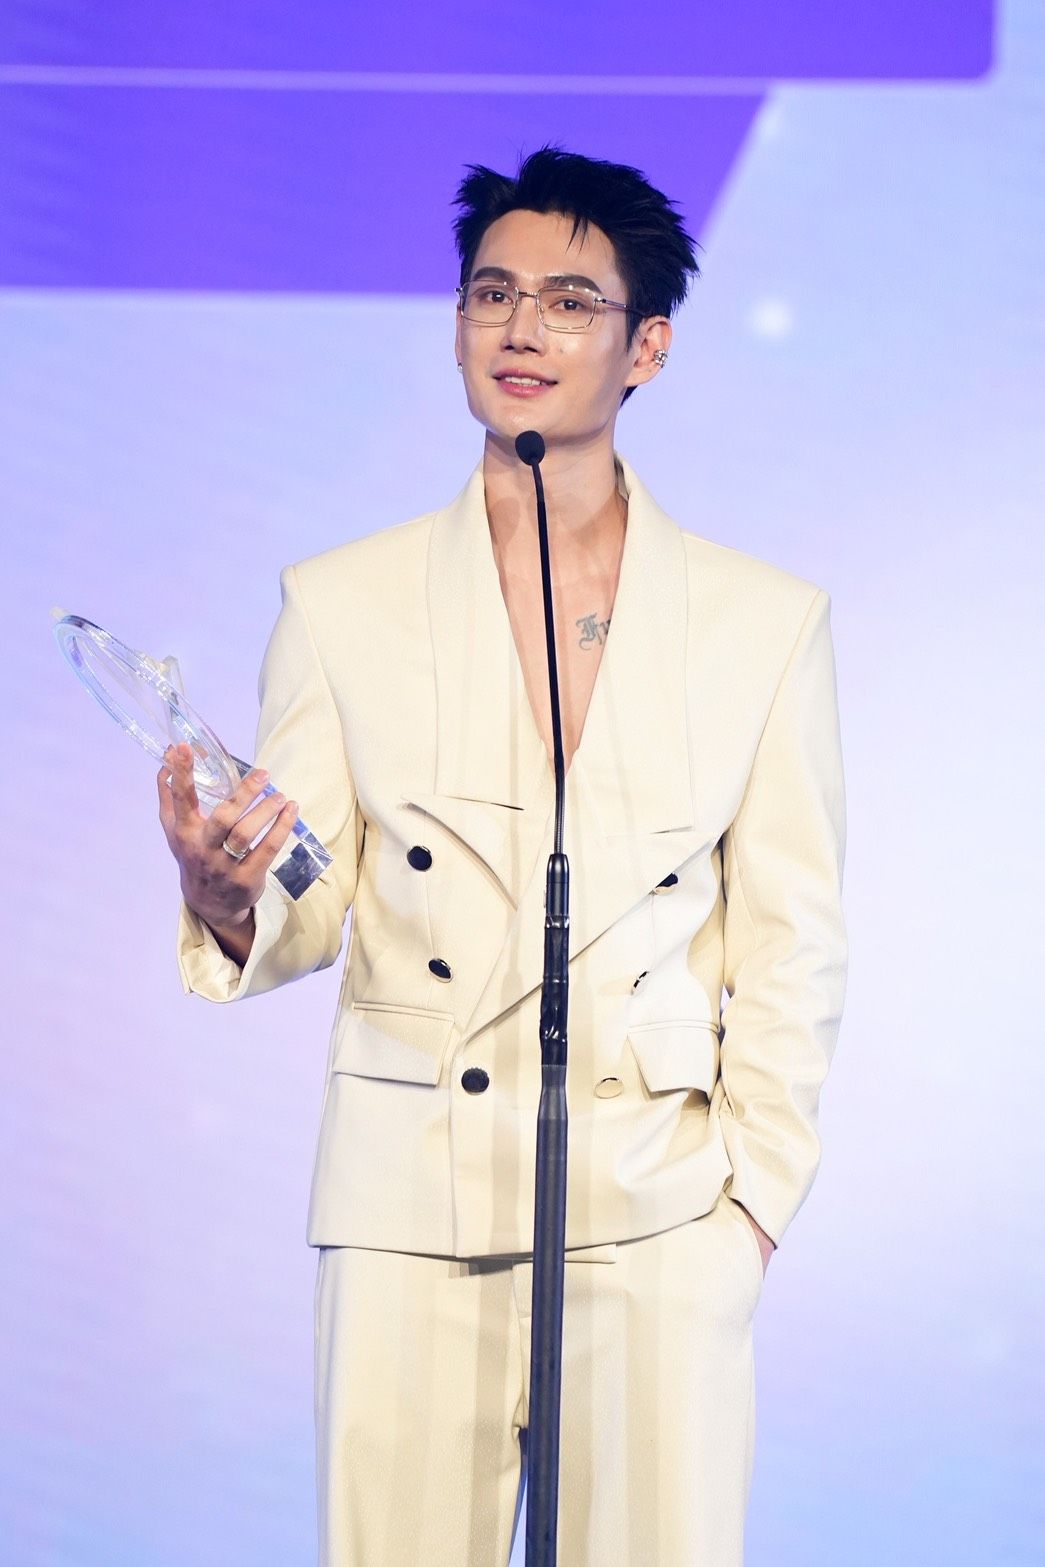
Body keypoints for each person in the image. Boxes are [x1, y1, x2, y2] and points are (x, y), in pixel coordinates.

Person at [160, 146, 848, 1566]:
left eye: (569, 302)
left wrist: (749, 1211)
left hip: (656, 1214)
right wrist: (227, 895)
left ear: (647, 345)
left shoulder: (762, 623)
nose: (521, 329)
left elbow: (794, 937)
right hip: (410, 1202)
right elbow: (316, 899)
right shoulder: (340, 602)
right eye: (491, 293)